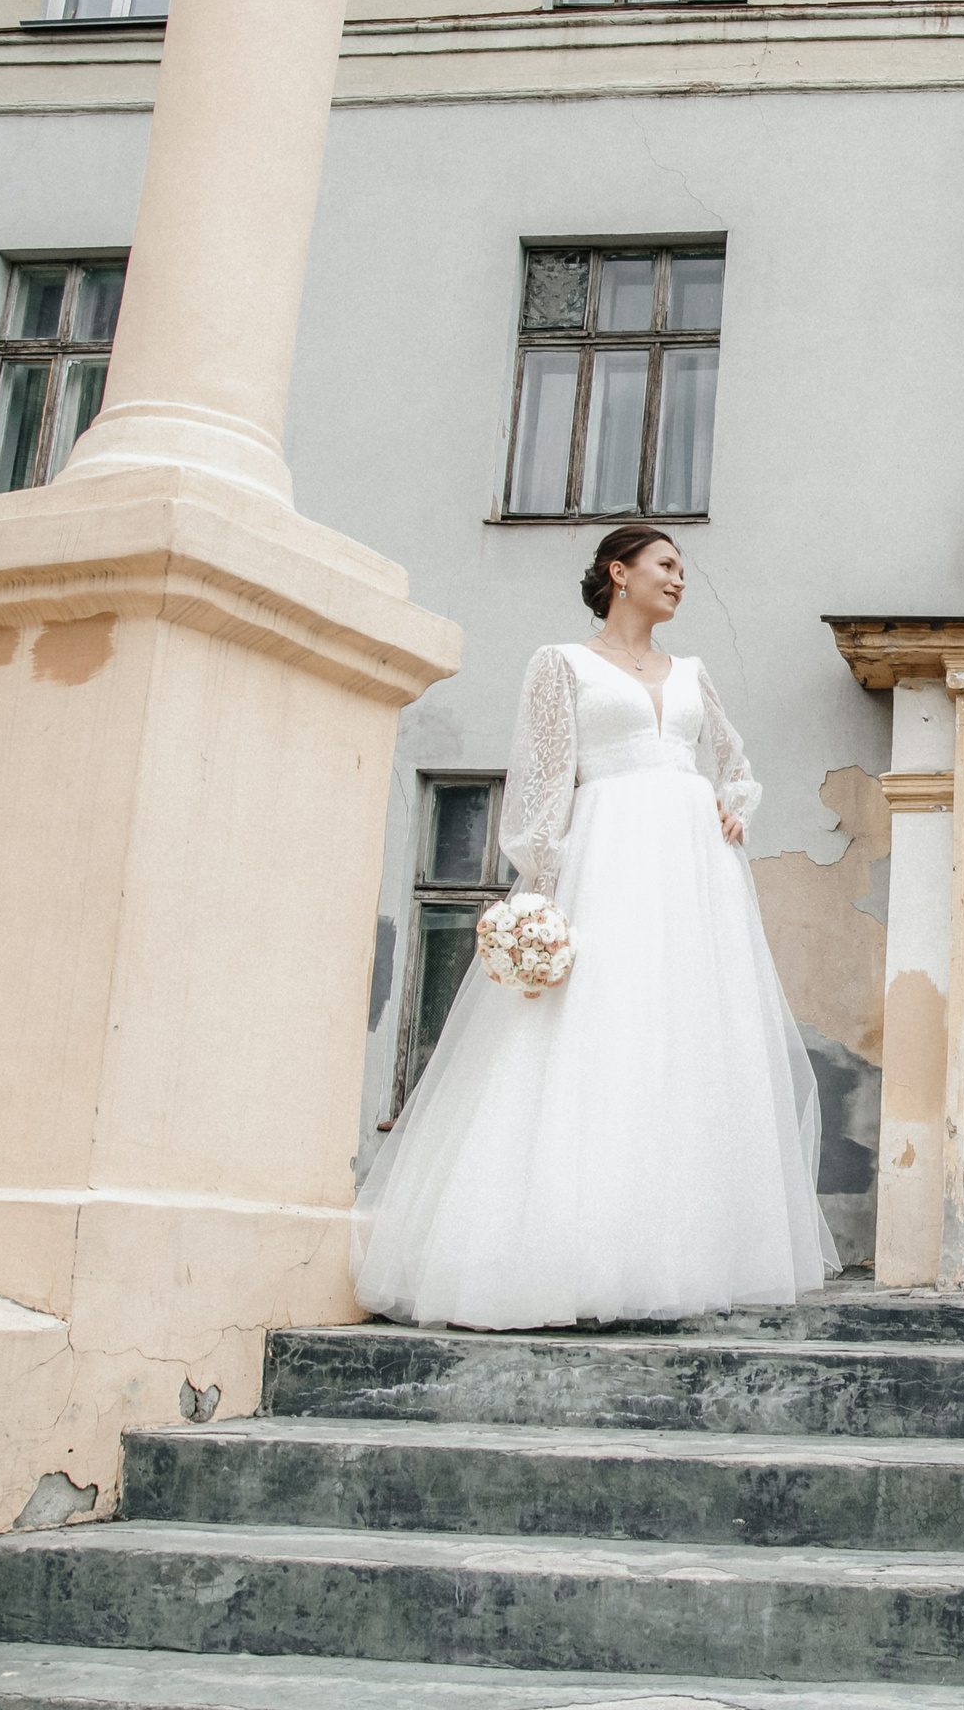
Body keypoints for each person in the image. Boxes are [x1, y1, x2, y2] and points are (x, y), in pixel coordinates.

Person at [353, 526, 838, 1328]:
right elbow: (541, 785)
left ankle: (668, 1253)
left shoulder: (692, 674)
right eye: (666, 566)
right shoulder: (561, 665)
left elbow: (737, 763)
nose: (681, 580)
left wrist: (730, 803)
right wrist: (540, 892)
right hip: (604, 856)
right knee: (591, 1033)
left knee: (678, 1038)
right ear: (620, 573)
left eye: (683, 569)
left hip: (690, 872)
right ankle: (557, 1255)